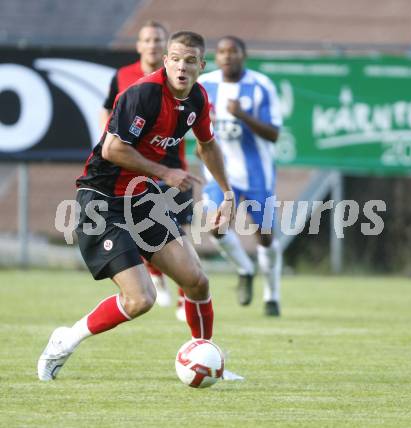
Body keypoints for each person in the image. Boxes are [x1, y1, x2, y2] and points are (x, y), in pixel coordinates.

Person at [37, 31, 235, 381]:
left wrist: (228, 193)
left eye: (190, 60)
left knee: (197, 281)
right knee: (139, 300)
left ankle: (205, 358)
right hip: (101, 199)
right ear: (166, 61)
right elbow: (112, 149)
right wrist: (164, 172)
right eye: (175, 58)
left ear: (201, 66)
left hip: (141, 199)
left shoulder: (198, 99)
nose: (182, 66)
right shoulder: (142, 94)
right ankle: (64, 341)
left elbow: (207, 145)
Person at [101, 20, 191, 318]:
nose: (152, 44)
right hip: (133, 168)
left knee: (180, 229)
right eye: (148, 39)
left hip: (171, 164)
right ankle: (155, 276)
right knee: (141, 225)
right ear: (139, 45)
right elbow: (108, 110)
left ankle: (185, 297)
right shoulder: (124, 77)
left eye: (158, 40)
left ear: (165, 48)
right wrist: (107, 140)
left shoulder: (179, 80)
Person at [198, 36, 282, 316]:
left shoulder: (261, 86)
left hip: (257, 173)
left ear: (243, 55)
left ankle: (272, 295)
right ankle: (244, 269)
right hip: (219, 174)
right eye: (221, 52)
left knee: (266, 238)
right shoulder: (205, 85)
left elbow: (273, 133)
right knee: (216, 226)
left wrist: (243, 115)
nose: (227, 56)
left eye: (233, 51)